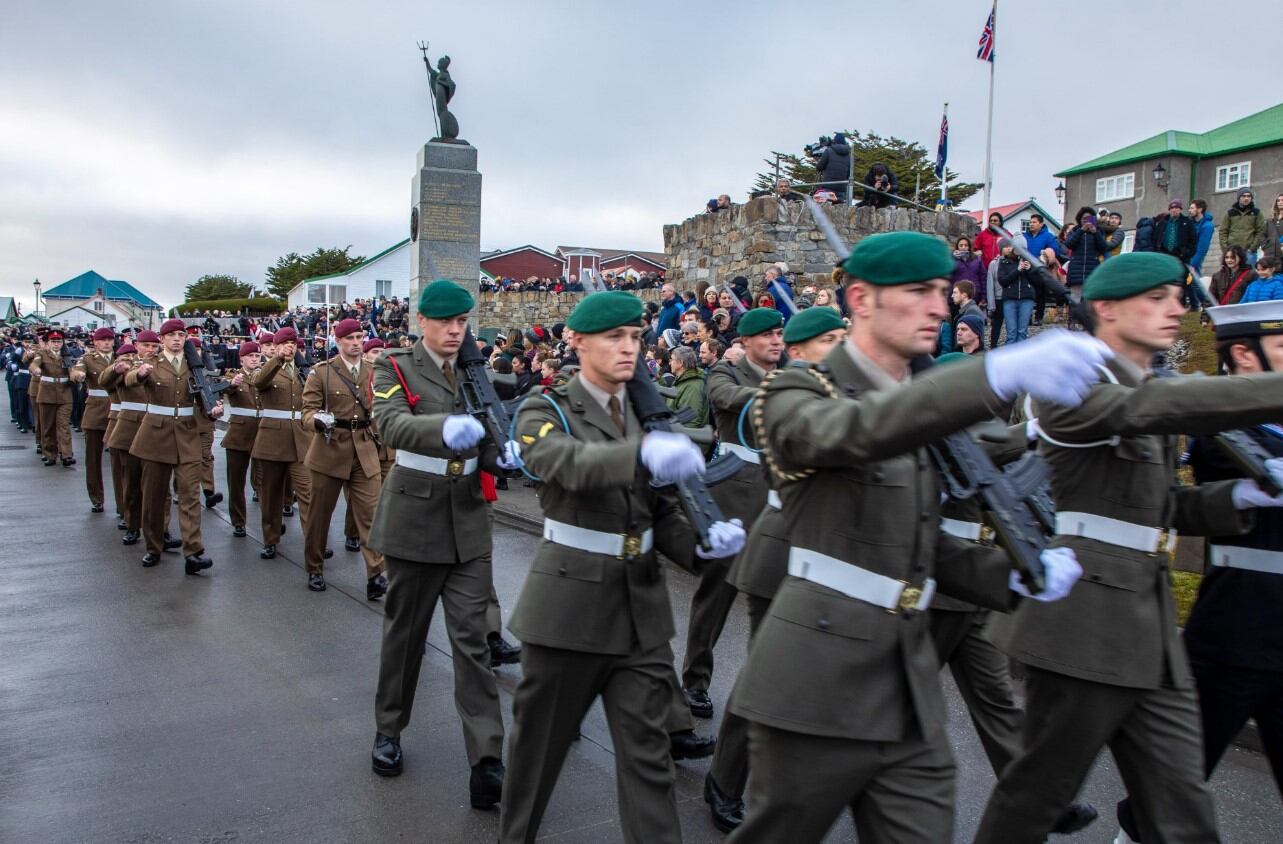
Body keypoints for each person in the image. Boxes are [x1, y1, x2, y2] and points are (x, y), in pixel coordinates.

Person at [726, 230, 1105, 843]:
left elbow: (914, 543)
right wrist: (993, 374)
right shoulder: (794, 392)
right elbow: (852, 431)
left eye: (940, 291)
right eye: (917, 291)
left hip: (907, 679)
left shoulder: (920, 406)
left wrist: (1004, 574)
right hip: (817, 677)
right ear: (861, 300)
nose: (939, 306)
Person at [974, 252, 1283, 844]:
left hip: (1150, 622)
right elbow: (1147, 411)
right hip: (1082, 623)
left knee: (1181, 805)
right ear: (1107, 310)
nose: (1175, 310)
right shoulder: (1076, 388)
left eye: (1176, 298)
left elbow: (1163, 508)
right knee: (1037, 793)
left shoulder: (1151, 387)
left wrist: (1239, 498)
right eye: (1157, 299)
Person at [499, 290, 745, 843]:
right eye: (614, 337)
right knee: (538, 758)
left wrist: (702, 547)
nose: (629, 346)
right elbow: (559, 463)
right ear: (578, 342)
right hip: (567, 613)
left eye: (635, 336)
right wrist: (637, 455)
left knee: (649, 763)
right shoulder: (548, 408)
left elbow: (658, 512)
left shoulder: (646, 412)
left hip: (640, 617)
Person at [1114, 298, 1283, 842]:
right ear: (1245, 355)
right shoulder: (1224, 428)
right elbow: (1209, 471)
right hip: (1235, 630)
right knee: (1173, 784)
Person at [367, 280, 512, 812]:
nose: (456, 331)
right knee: (405, 636)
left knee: (473, 643)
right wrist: (447, 429)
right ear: (422, 321)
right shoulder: (394, 366)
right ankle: (389, 728)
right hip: (415, 518)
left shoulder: (477, 370)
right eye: (446, 322)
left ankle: (487, 759)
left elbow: (491, 437)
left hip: (469, 522)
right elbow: (391, 425)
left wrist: (508, 454)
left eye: (463, 322)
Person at [704, 304, 846, 833]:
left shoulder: (843, 388)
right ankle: (726, 777)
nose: (841, 349)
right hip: (778, 537)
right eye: (828, 340)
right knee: (765, 672)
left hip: (828, 547)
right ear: (801, 350)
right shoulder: (789, 393)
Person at [681, 307, 784, 728]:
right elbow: (727, 400)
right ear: (746, 341)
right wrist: (780, 392)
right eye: (769, 335)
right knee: (717, 593)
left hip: (780, 495)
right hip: (734, 494)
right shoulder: (725, 373)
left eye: (781, 334)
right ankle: (695, 679)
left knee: (777, 598)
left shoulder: (792, 373)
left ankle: (769, 688)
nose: (778, 341)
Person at [300, 318, 388, 597]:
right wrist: (317, 419)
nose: (355, 342)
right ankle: (314, 567)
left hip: (364, 449)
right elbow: (306, 412)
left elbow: (384, 405)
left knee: (371, 515)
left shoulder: (374, 371)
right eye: (349, 338)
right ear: (338, 342)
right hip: (330, 448)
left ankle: (376, 574)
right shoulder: (322, 372)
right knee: (319, 515)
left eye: (359, 337)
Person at [126, 319, 221, 574]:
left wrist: (213, 408)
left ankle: (193, 552)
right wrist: (140, 374)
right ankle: (153, 547)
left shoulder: (196, 367)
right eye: (172, 335)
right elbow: (129, 380)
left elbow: (204, 400)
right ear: (162, 339)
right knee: (154, 497)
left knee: (190, 497)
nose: (178, 339)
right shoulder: (151, 364)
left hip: (187, 436)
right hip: (156, 437)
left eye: (182, 335)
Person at [250, 327, 313, 564]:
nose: (290, 347)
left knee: (308, 493)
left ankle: (313, 542)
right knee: (271, 494)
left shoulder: (303, 371)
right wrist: (277, 358)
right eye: (285, 343)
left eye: (293, 344)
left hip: (301, 440)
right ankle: (270, 538)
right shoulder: (265, 368)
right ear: (275, 346)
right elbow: (259, 382)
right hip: (272, 440)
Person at [102, 337, 152, 546]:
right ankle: (132, 524)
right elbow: (104, 381)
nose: (132, 357)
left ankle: (160, 529)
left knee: (157, 487)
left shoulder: (158, 364)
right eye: (146, 346)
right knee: (131, 482)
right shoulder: (121, 370)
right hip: (128, 429)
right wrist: (117, 368)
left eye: (154, 346)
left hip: (154, 430)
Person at [70, 327, 116, 511]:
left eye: (109, 339)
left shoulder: (121, 357)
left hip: (118, 411)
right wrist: (79, 376)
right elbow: (76, 371)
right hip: (96, 412)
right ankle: (97, 498)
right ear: (95, 342)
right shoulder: (88, 359)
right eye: (102, 340)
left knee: (120, 461)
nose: (106, 343)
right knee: (93, 459)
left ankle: (123, 504)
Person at [220, 339, 262, 539]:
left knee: (265, 481)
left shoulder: (265, 375)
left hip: (263, 434)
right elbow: (224, 388)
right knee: (236, 482)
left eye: (257, 356)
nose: (254, 359)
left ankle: (269, 521)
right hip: (238, 435)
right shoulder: (233, 375)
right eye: (250, 356)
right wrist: (231, 384)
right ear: (242, 358)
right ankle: (238, 521)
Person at [29, 329, 75, 466]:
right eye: (53, 341)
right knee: (47, 426)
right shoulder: (42, 354)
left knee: (63, 425)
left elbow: (72, 371)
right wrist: (35, 370)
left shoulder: (67, 355)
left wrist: (77, 376)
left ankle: (66, 454)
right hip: (46, 394)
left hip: (64, 394)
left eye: (59, 341)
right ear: (48, 343)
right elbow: (34, 364)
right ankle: (50, 454)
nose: (56, 344)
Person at [1064, 206, 1110, 300]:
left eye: (1089, 218)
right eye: (1084, 218)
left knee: (1089, 301)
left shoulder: (1099, 231)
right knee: (1075, 301)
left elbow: (1104, 247)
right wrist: (1081, 231)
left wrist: (1095, 233)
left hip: (1092, 269)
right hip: (1076, 270)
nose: (1086, 221)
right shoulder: (1074, 231)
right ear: (1079, 219)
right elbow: (1069, 244)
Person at [997, 244, 1037, 344]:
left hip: (1026, 299)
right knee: (1011, 332)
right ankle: (1010, 357)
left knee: (1022, 332)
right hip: (1010, 299)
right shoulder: (1004, 262)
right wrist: (1018, 270)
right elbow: (1003, 281)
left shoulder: (1031, 261)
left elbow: (1038, 282)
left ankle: (1021, 358)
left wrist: (1030, 270)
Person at [665, 346, 708, 428]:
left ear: (680, 363)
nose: (669, 363)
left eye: (672, 359)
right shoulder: (682, 380)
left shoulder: (692, 386)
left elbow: (691, 422)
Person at [1220, 188, 1266, 264]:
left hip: (1249, 252)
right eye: (1243, 196)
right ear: (1239, 198)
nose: (1246, 198)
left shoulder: (1256, 213)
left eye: (1248, 196)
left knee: (1249, 274)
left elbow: (1261, 231)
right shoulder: (1230, 213)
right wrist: (1226, 249)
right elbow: (1223, 231)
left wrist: (1252, 248)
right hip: (1232, 251)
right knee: (1232, 274)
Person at [815, 134, 852, 203]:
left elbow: (819, 167)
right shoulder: (849, 156)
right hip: (841, 190)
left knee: (822, 206)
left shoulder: (828, 151)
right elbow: (848, 174)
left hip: (828, 187)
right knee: (839, 209)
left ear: (834, 141)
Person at [1264, 193, 1283, 269]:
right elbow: (1262, 235)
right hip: (1270, 254)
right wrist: (1265, 246)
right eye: (1278, 200)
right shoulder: (1270, 220)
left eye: (1282, 200)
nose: (1280, 202)